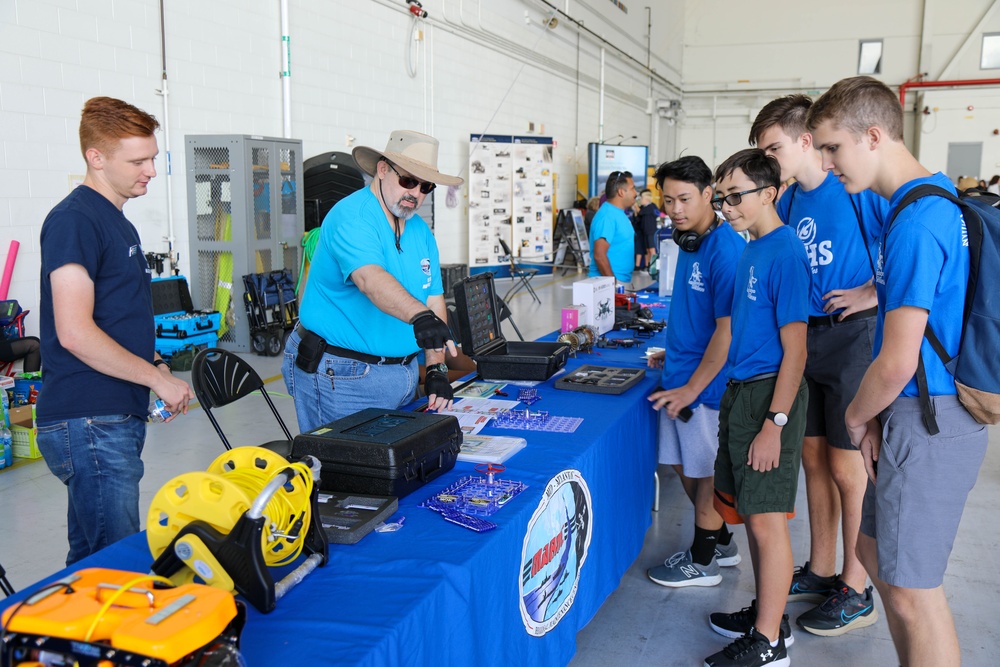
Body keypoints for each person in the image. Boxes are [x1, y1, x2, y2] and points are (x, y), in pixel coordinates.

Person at [809, 76, 988, 667]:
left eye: (833, 147)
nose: (827, 163)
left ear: (874, 135)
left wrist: (857, 418)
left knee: (913, 593)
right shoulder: (924, 202)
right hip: (915, 410)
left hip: (928, 416)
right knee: (879, 560)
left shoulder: (916, 221)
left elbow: (897, 358)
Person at [35, 97, 195, 566]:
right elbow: (74, 332)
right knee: (117, 564)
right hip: (89, 420)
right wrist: (156, 379)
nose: (150, 170)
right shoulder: (74, 220)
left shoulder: (116, 221)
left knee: (89, 559)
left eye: (152, 158)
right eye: (138, 161)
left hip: (109, 418)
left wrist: (157, 364)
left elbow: (116, 318)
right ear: (96, 157)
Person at [750, 94, 887, 637]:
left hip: (852, 340)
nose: (768, 160)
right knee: (812, 462)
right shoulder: (787, 204)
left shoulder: (855, 189)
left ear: (806, 140)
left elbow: (907, 250)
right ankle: (823, 567)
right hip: (805, 344)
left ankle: (857, 586)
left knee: (848, 469)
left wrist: (870, 292)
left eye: (773, 148)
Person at [705, 149, 810, 667]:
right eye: (722, 197)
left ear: (769, 192)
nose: (727, 206)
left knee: (768, 522)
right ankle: (770, 616)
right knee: (752, 515)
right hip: (744, 393)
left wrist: (775, 423)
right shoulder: (753, 246)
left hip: (771, 398)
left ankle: (769, 642)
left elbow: (797, 350)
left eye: (736, 196)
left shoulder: (786, 252)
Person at [282, 130, 462, 432]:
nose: (415, 193)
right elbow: (370, 279)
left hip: (401, 374)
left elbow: (433, 298)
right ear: (382, 170)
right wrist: (420, 317)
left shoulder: (420, 231)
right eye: (408, 180)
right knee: (342, 471)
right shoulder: (352, 217)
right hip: (340, 375)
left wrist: (436, 368)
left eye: (425, 186)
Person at [644, 156, 746, 589]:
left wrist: (692, 387)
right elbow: (695, 315)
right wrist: (675, 354)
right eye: (668, 200)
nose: (676, 209)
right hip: (683, 375)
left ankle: (702, 560)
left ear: (709, 194)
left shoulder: (726, 251)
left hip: (705, 389)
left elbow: (726, 334)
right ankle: (720, 540)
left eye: (685, 199)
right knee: (686, 467)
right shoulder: (688, 242)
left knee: (704, 472)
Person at [588, 170, 638, 284]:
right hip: (609, 283)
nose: (636, 193)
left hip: (621, 280)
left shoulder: (619, 213)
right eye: (633, 188)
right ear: (621, 192)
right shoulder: (607, 216)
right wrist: (613, 285)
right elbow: (599, 255)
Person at [634, 188, 660, 269]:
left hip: (651, 231)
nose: (640, 200)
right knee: (647, 250)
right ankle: (647, 265)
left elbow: (641, 212)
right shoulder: (644, 207)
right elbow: (638, 217)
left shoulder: (651, 207)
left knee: (652, 249)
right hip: (645, 231)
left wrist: (635, 206)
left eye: (641, 198)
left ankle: (653, 266)